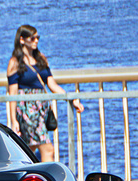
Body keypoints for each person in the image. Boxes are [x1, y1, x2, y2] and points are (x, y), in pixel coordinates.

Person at [6, 25, 84, 162]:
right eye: (32, 38)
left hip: (41, 107)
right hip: (27, 109)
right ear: (22, 40)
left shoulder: (41, 58)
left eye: (38, 38)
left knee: (29, 149)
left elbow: (52, 85)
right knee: (47, 148)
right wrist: (13, 120)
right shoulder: (15, 62)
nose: (36, 40)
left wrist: (71, 99)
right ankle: (45, 179)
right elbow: (12, 93)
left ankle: (27, 177)